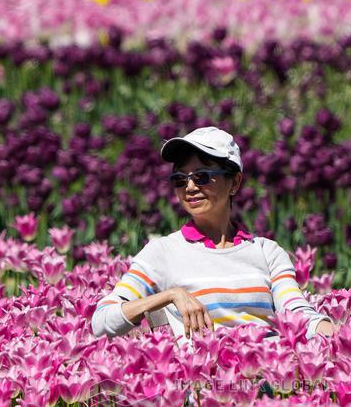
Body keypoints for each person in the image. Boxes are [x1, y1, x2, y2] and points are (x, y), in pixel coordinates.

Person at [91, 126, 336, 342]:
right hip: (202, 387)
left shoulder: (267, 252)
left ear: (234, 183)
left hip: (268, 380)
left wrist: (347, 337)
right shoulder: (162, 252)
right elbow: (101, 322)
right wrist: (169, 296)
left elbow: (297, 313)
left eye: (202, 176)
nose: (190, 187)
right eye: (180, 179)